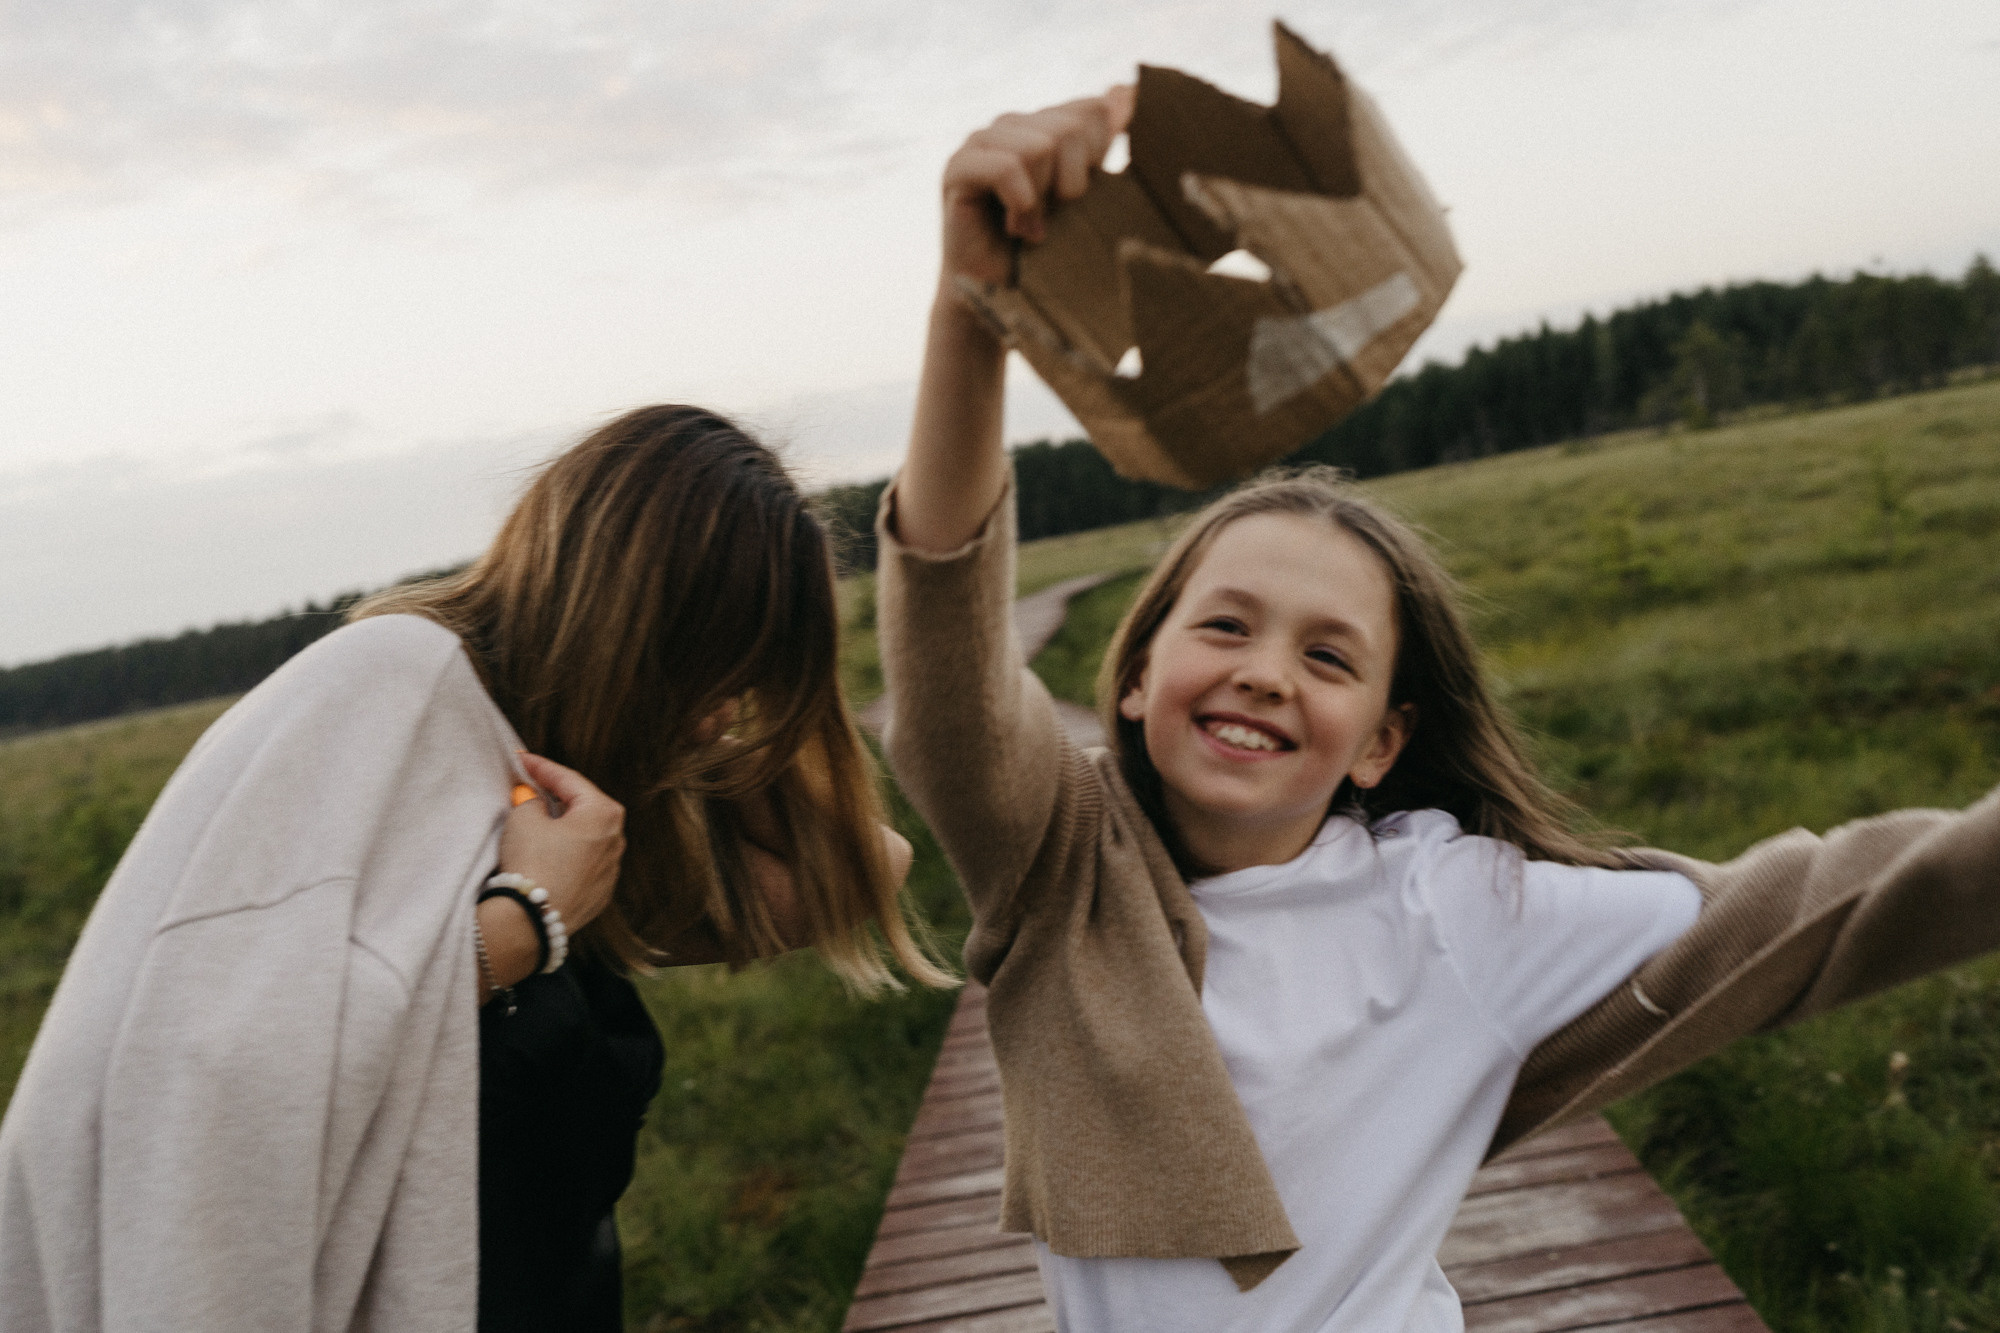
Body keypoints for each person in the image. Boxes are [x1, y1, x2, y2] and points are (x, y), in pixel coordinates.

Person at [874, 88, 2000, 1332]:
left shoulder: (1457, 911)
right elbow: (945, 695)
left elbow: (1814, 914)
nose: (1264, 672)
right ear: (1134, 676)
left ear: (1381, 744)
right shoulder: (1056, 865)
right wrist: (968, 316)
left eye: (1329, 657)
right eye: (1225, 624)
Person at [0, 404, 946, 1333]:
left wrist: (710, 737)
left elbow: (864, 872)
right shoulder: (391, 685)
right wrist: (529, 921)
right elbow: (222, 1059)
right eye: (716, 678)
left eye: (749, 691)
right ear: (640, 633)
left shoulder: (569, 797)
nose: (721, 719)